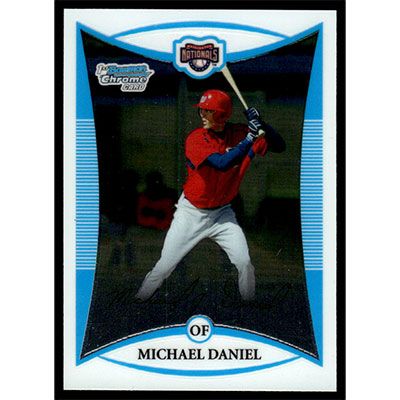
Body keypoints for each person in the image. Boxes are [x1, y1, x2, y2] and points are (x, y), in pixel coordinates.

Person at [135, 89, 285, 302]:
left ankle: (250, 306)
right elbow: (222, 163)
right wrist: (250, 138)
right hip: (191, 213)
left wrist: (262, 124)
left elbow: (280, 146)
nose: (202, 114)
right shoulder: (196, 138)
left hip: (222, 214)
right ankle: (139, 300)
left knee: (244, 262)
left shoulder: (241, 133)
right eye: (201, 110)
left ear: (223, 114)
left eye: (208, 111)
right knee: (165, 265)